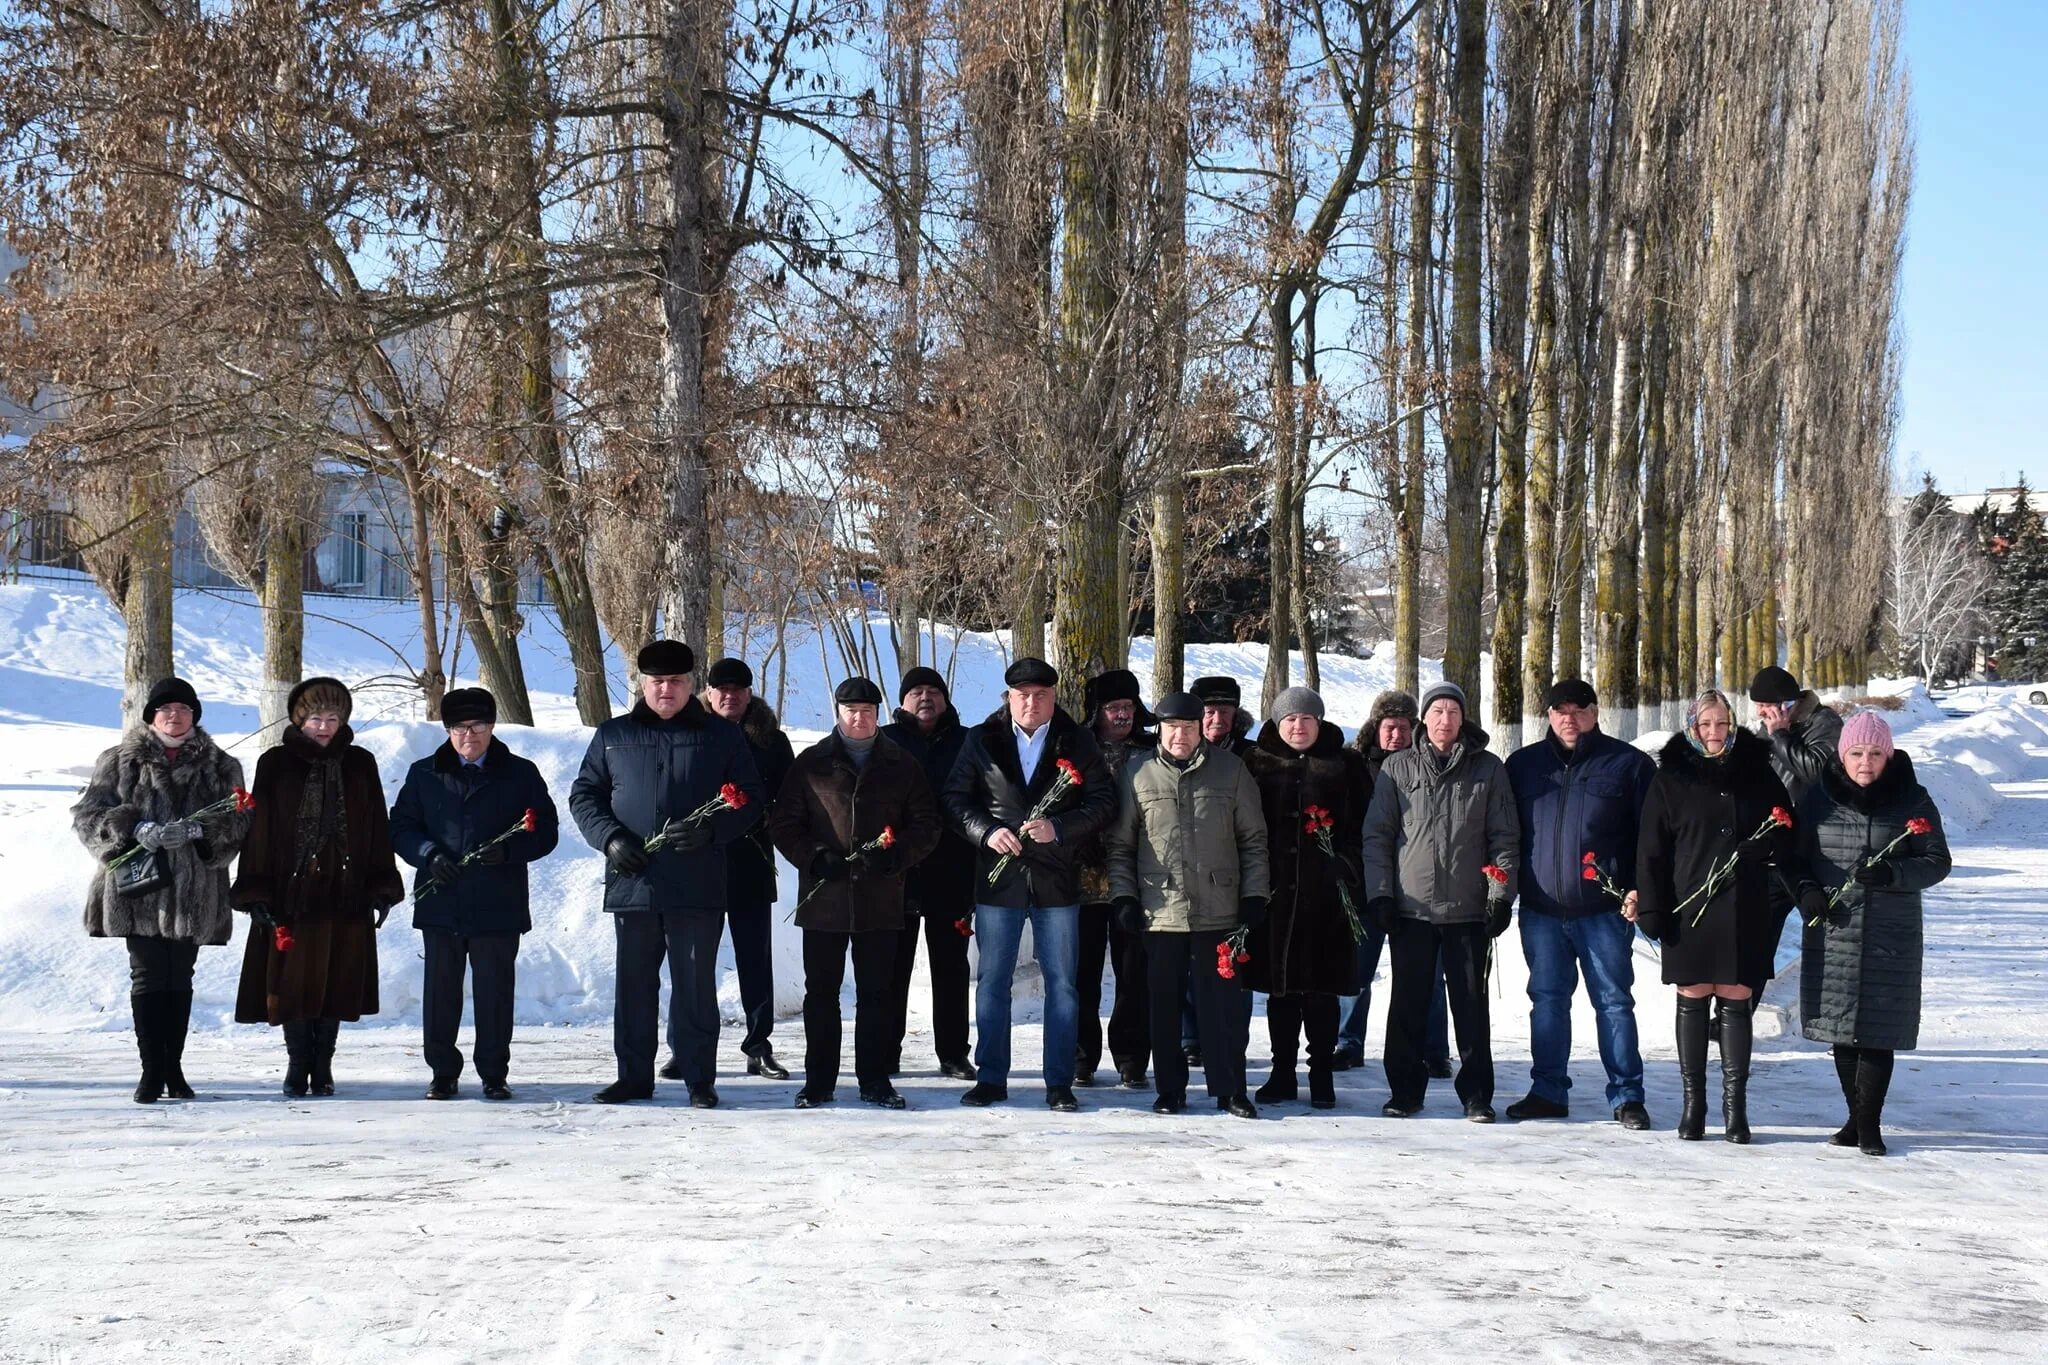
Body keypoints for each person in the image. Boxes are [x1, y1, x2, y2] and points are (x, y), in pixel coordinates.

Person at [569, 640, 766, 1107]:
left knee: (695, 985)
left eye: (676, 682)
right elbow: (584, 797)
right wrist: (611, 840)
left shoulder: (721, 736)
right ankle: (633, 1076)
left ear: (691, 685)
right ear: (642, 684)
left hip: (697, 883)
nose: (666, 690)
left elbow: (752, 799)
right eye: (657, 681)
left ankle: (700, 1078)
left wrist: (712, 832)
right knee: (634, 985)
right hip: (633, 882)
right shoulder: (612, 735)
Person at [939, 657, 1116, 1111]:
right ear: (1010, 697)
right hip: (1000, 881)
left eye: (1040, 695)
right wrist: (985, 831)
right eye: (1023, 696)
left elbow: (1103, 803)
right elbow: (955, 799)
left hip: (1057, 879)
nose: (1031, 703)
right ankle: (991, 1077)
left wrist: (1061, 827)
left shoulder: (1077, 741)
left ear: (1053, 698)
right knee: (993, 980)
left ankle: (1059, 1081)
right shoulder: (983, 739)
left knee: (1063, 984)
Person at [71, 677, 252, 1103]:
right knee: (147, 975)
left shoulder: (221, 765)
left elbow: (241, 821)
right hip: (138, 887)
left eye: (184, 709)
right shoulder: (118, 761)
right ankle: (152, 1071)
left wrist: (199, 830)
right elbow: (87, 814)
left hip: (195, 890)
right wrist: (133, 828)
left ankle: (175, 1068)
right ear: (151, 716)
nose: (175, 716)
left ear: (195, 716)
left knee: (180, 977)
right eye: (166, 709)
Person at [769, 677, 942, 1109]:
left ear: (878, 713)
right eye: (851, 710)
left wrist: (897, 856)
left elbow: (927, 824)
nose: (859, 717)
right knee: (821, 993)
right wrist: (813, 857)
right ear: (838, 713)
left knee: (877, 993)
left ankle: (875, 1079)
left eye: (867, 710)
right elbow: (784, 824)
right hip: (824, 899)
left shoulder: (900, 764)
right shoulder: (811, 764)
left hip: (881, 898)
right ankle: (819, 1080)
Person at [1631, 689, 1794, 1143]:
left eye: (1722, 724)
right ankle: (1693, 1106)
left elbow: (1786, 827)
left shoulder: (1757, 772)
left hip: (1745, 904)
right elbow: (1652, 849)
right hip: (1690, 906)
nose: (1714, 733)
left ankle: (1735, 1110)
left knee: (1737, 999)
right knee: (1694, 994)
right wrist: (1652, 907)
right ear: (1692, 727)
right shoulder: (1671, 778)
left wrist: (1764, 846)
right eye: (1705, 725)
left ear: (1733, 725)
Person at [231, 677, 404, 1096]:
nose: (324, 727)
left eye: (332, 718)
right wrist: (255, 891)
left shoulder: (360, 763)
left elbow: (377, 826)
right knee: (291, 982)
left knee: (337, 980)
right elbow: (261, 831)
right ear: (298, 720)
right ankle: (296, 1064)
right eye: (314, 719)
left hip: (347, 891)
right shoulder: (275, 763)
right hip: (291, 894)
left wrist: (382, 884)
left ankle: (323, 1065)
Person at [1792, 710, 1952, 1156]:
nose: (1866, 762)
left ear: (1890, 755)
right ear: (1843, 755)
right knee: (1842, 1030)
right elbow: (1795, 857)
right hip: (1835, 928)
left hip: (1891, 934)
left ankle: (1869, 1126)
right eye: (1858, 753)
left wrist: (1892, 873)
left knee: (1879, 1030)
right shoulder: (1818, 799)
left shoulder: (1913, 799)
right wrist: (1805, 891)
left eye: (1876, 753)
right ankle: (1855, 1119)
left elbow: (1938, 861)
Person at [389, 687, 561, 1101]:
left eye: (479, 726)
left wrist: (508, 851)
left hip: (497, 904)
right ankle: (443, 1072)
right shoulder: (423, 773)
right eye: (461, 727)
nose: (471, 735)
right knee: (441, 993)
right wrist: (428, 855)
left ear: (492, 727)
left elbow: (546, 832)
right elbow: (401, 827)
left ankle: (494, 1072)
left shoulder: (520, 773)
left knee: (495, 993)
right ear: (448, 731)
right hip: (442, 901)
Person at [1105, 691, 1270, 1117]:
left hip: (1220, 907)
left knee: (1223, 1007)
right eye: (1172, 727)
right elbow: (1121, 846)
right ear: (1160, 728)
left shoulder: (1231, 771)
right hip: (1160, 911)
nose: (1180, 736)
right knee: (1163, 1006)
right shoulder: (1137, 773)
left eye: (1189, 728)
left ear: (1202, 729)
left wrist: (1254, 895)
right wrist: (1124, 895)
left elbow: (1253, 841)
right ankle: (1171, 1089)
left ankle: (1230, 1088)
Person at [1502, 679, 1657, 1129]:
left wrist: (1638, 887)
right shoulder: (1524, 765)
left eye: (1579, 709)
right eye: (1560, 710)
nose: (1570, 718)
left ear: (1595, 711)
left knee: (1613, 1002)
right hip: (1541, 910)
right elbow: (1504, 831)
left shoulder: (1628, 764)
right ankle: (1548, 1090)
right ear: (1548, 715)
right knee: (1547, 1001)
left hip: (1603, 912)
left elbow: (1650, 838)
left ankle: (1627, 1095)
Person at [1362, 680, 1519, 1122]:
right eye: (1437, 712)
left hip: (1468, 910)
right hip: (1411, 909)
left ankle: (1476, 1095)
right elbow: (1378, 836)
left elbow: (1503, 837)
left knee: (1471, 1006)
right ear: (1423, 720)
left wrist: (1500, 895)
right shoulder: (1398, 768)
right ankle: (1405, 1092)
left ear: (1462, 718)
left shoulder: (1487, 769)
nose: (1445, 720)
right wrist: (1381, 894)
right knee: (1408, 1004)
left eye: (1453, 712)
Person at [1243, 687, 1370, 1109]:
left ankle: (1320, 1076)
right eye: (1290, 719)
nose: (1299, 727)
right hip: (1275, 896)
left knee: (1321, 990)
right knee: (1280, 991)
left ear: (1320, 722)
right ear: (1278, 724)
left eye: (1307, 719)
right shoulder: (1256, 764)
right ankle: (1282, 1072)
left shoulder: (1347, 765)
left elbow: (1364, 827)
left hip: (1328, 899)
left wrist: (1347, 865)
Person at [1334, 689, 1451, 1076]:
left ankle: (1433, 1049)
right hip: (1364, 886)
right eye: (1389, 727)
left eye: (1403, 727)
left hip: (1417, 890)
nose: (1396, 735)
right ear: (1375, 728)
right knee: (1355, 972)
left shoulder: (1426, 764)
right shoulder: (1353, 766)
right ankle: (1348, 1043)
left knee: (1428, 976)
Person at [698, 656, 797, 1082]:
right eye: (721, 688)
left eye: (738, 689)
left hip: (752, 861)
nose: (729, 696)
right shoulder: (690, 734)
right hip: (698, 864)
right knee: (694, 962)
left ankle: (758, 1045)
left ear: (749, 692)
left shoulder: (772, 741)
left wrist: (770, 821)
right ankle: (688, 1047)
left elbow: (791, 800)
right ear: (707, 691)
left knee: (755, 960)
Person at [878, 667, 977, 1080]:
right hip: (896, 873)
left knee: (952, 968)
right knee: (891, 969)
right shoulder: (884, 739)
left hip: (951, 870)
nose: (925, 698)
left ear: (946, 699)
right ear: (901, 701)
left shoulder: (968, 740)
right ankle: (885, 1051)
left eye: (933, 691)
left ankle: (953, 1053)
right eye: (916, 691)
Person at [1071, 668, 1157, 1087]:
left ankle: (1131, 1057)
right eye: (1114, 708)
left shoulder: (1152, 750)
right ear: (1097, 711)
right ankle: (1081, 1056)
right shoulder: (1076, 748)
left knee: (1133, 974)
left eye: (1128, 707)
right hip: (1082, 880)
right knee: (1081, 974)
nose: (1122, 716)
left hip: (1136, 881)